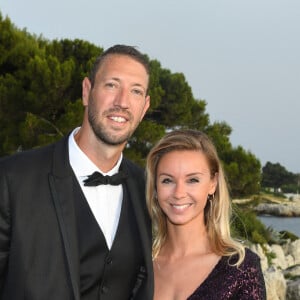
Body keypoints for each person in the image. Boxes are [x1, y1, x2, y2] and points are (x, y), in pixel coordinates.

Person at [0, 45, 154, 300]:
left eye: (136, 91)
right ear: (86, 91)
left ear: (144, 107)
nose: (122, 102)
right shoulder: (12, 179)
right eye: (112, 85)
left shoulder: (148, 190)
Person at [146, 129, 266, 300]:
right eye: (167, 180)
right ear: (156, 187)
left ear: (212, 184)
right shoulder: (139, 265)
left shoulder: (241, 269)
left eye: (192, 180)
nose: (179, 193)